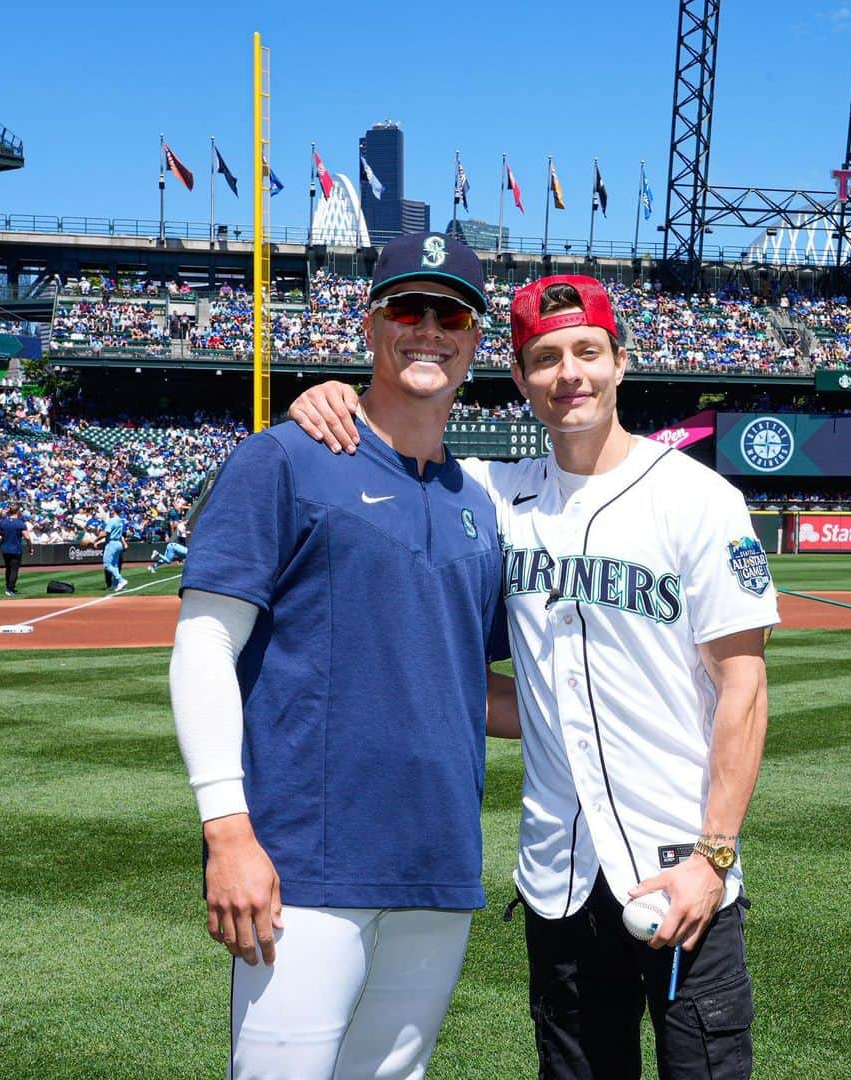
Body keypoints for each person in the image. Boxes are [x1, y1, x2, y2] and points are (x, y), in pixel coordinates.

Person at [289, 274, 779, 1079]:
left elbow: (744, 690)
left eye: (587, 352)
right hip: (558, 876)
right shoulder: (492, 495)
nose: (569, 375)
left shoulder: (701, 500)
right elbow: (397, 449)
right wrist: (334, 395)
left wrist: (713, 858)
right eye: (544, 358)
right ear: (518, 378)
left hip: (681, 871)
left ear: (621, 362)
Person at [169, 232, 517, 1080]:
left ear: (475, 340)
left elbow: (462, 683)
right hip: (304, 862)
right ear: (370, 325)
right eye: (407, 308)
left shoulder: (476, 501)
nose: (428, 328)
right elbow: (206, 641)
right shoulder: (284, 457)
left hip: (438, 862)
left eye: (451, 314)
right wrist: (228, 832)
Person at [0, 503, 34, 596]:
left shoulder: (3, 522)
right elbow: (27, 537)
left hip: (5, 549)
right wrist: (30, 548)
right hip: (16, 549)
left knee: (8, 569)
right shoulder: (20, 523)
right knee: (14, 569)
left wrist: (0, 542)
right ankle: (10, 589)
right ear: (18, 511)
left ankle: (8, 587)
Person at [92, 505, 128, 592]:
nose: (111, 511)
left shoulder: (112, 520)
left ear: (114, 511)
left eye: (112, 510)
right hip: (118, 543)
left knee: (107, 565)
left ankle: (121, 580)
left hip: (111, 543)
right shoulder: (121, 521)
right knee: (115, 565)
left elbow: (105, 533)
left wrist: (95, 540)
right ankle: (115, 585)